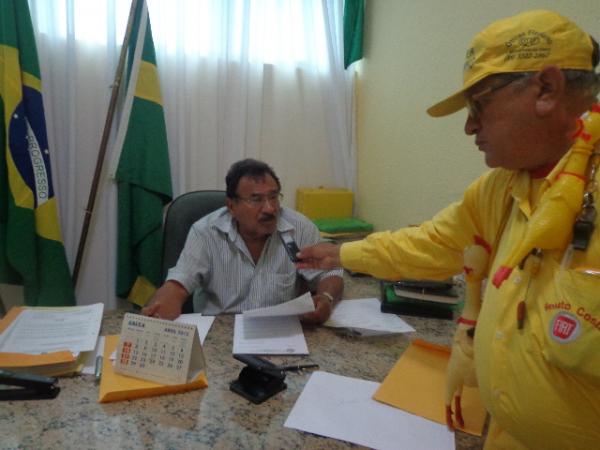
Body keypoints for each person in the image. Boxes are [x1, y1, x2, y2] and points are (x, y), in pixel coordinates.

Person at [297, 10, 600, 450]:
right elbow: (433, 243)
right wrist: (341, 254)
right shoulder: (501, 188)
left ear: (547, 89)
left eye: (480, 105)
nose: (470, 126)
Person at [143, 158, 343, 324]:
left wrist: (326, 299)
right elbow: (179, 284)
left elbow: (331, 272)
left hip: (280, 335)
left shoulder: (299, 228)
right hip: (219, 334)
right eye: (256, 200)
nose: (270, 208)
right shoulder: (206, 232)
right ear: (231, 206)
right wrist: (158, 311)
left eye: (273, 197)